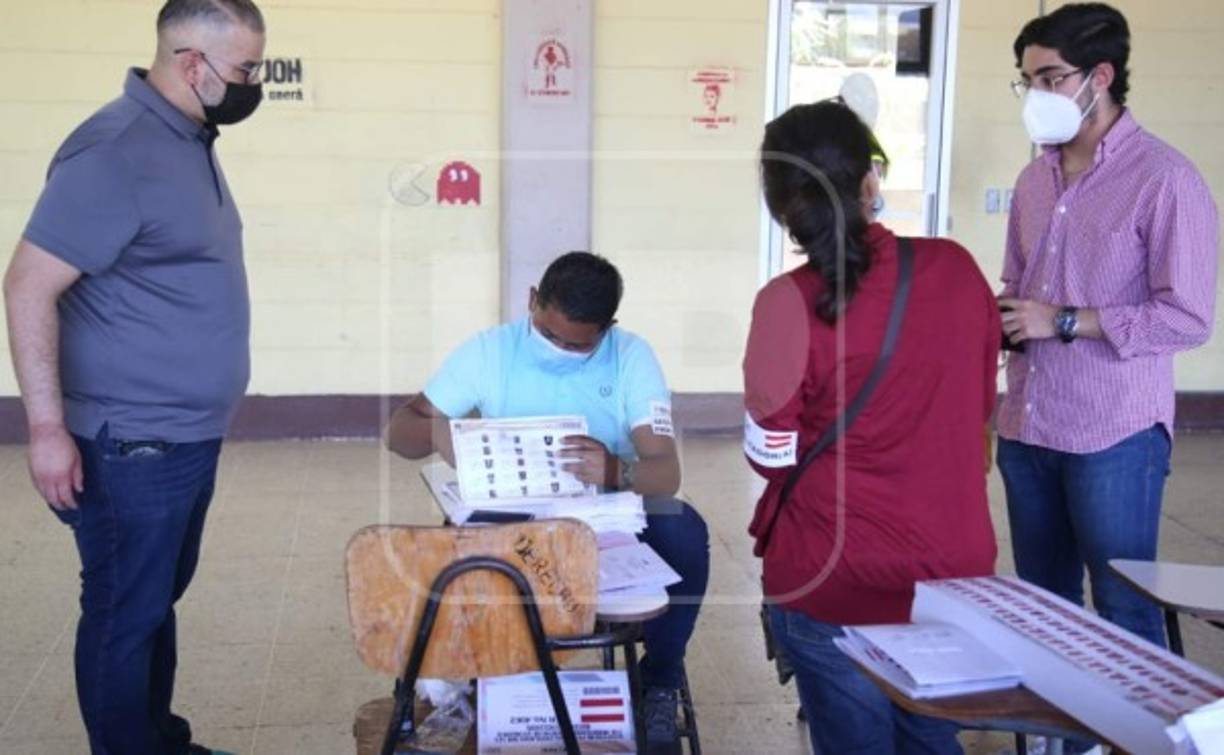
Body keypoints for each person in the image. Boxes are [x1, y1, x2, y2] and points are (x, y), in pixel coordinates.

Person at [1, 1, 266, 753]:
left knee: (152, 603)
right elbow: (27, 285)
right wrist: (47, 430)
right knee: (124, 611)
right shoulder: (114, 152)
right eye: (246, 70)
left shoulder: (184, 136)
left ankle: (159, 740)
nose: (254, 84)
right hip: (131, 443)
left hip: (183, 435)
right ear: (192, 64)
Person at [744, 100, 1001, 754]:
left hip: (832, 578)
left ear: (781, 207)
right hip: (951, 575)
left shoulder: (784, 304)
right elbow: (979, 409)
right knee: (932, 740)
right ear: (870, 181)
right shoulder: (955, 269)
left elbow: (771, 456)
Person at [386, 251, 709, 754]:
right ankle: (482, 674)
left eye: (577, 345)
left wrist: (616, 470)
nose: (559, 349)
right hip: (512, 520)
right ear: (532, 300)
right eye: (548, 334)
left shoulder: (631, 357)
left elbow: (666, 472)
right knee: (453, 548)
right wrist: (438, 432)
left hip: (604, 518)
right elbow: (398, 433)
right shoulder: (490, 352)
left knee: (683, 527)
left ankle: (660, 681)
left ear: (607, 329)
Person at [998, 3, 1218, 650]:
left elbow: (1187, 318)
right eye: (1027, 81)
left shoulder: (1165, 179)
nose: (1036, 95)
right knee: (1043, 607)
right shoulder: (1033, 180)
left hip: (1114, 431)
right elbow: (1016, 286)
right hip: (1028, 424)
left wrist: (1065, 320)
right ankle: (1060, 716)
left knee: (1125, 605)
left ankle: (1141, 714)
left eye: (1050, 78)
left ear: (1101, 76)